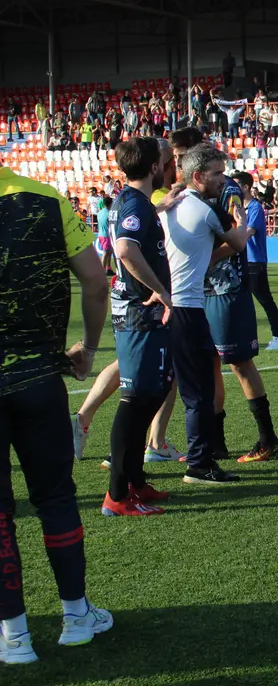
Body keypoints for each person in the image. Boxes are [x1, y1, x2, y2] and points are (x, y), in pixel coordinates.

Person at [0, 161, 113, 663]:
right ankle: (74, 616)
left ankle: (15, 634)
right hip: (38, 378)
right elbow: (95, 281)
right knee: (56, 498)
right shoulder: (45, 197)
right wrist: (87, 347)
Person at [171, 129, 278, 465]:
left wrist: (202, 260)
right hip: (201, 292)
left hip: (226, 289)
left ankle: (268, 439)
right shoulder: (188, 192)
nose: (176, 161)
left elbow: (238, 231)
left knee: (239, 363)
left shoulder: (228, 189)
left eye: (181, 154)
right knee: (211, 366)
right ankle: (215, 442)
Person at [160, 143, 251, 484]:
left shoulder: (171, 203)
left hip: (169, 305)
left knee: (155, 388)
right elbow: (238, 243)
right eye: (216, 173)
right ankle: (200, 463)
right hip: (187, 308)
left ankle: (128, 458)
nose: (222, 179)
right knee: (198, 393)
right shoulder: (201, 209)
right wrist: (242, 224)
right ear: (197, 176)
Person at [102, 138, 175, 517]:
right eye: (163, 162)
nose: (166, 166)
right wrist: (160, 290)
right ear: (152, 169)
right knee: (134, 402)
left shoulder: (133, 202)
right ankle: (117, 495)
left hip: (141, 315)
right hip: (138, 314)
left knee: (151, 393)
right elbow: (126, 250)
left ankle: (134, 480)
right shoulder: (134, 204)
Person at [233, 172, 278, 350]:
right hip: (241, 259)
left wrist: (233, 241)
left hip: (255, 261)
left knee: (264, 299)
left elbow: (250, 231)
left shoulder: (254, 207)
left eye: (237, 185)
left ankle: (277, 337)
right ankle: (244, 337)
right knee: (239, 300)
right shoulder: (237, 207)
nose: (233, 189)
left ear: (246, 187)